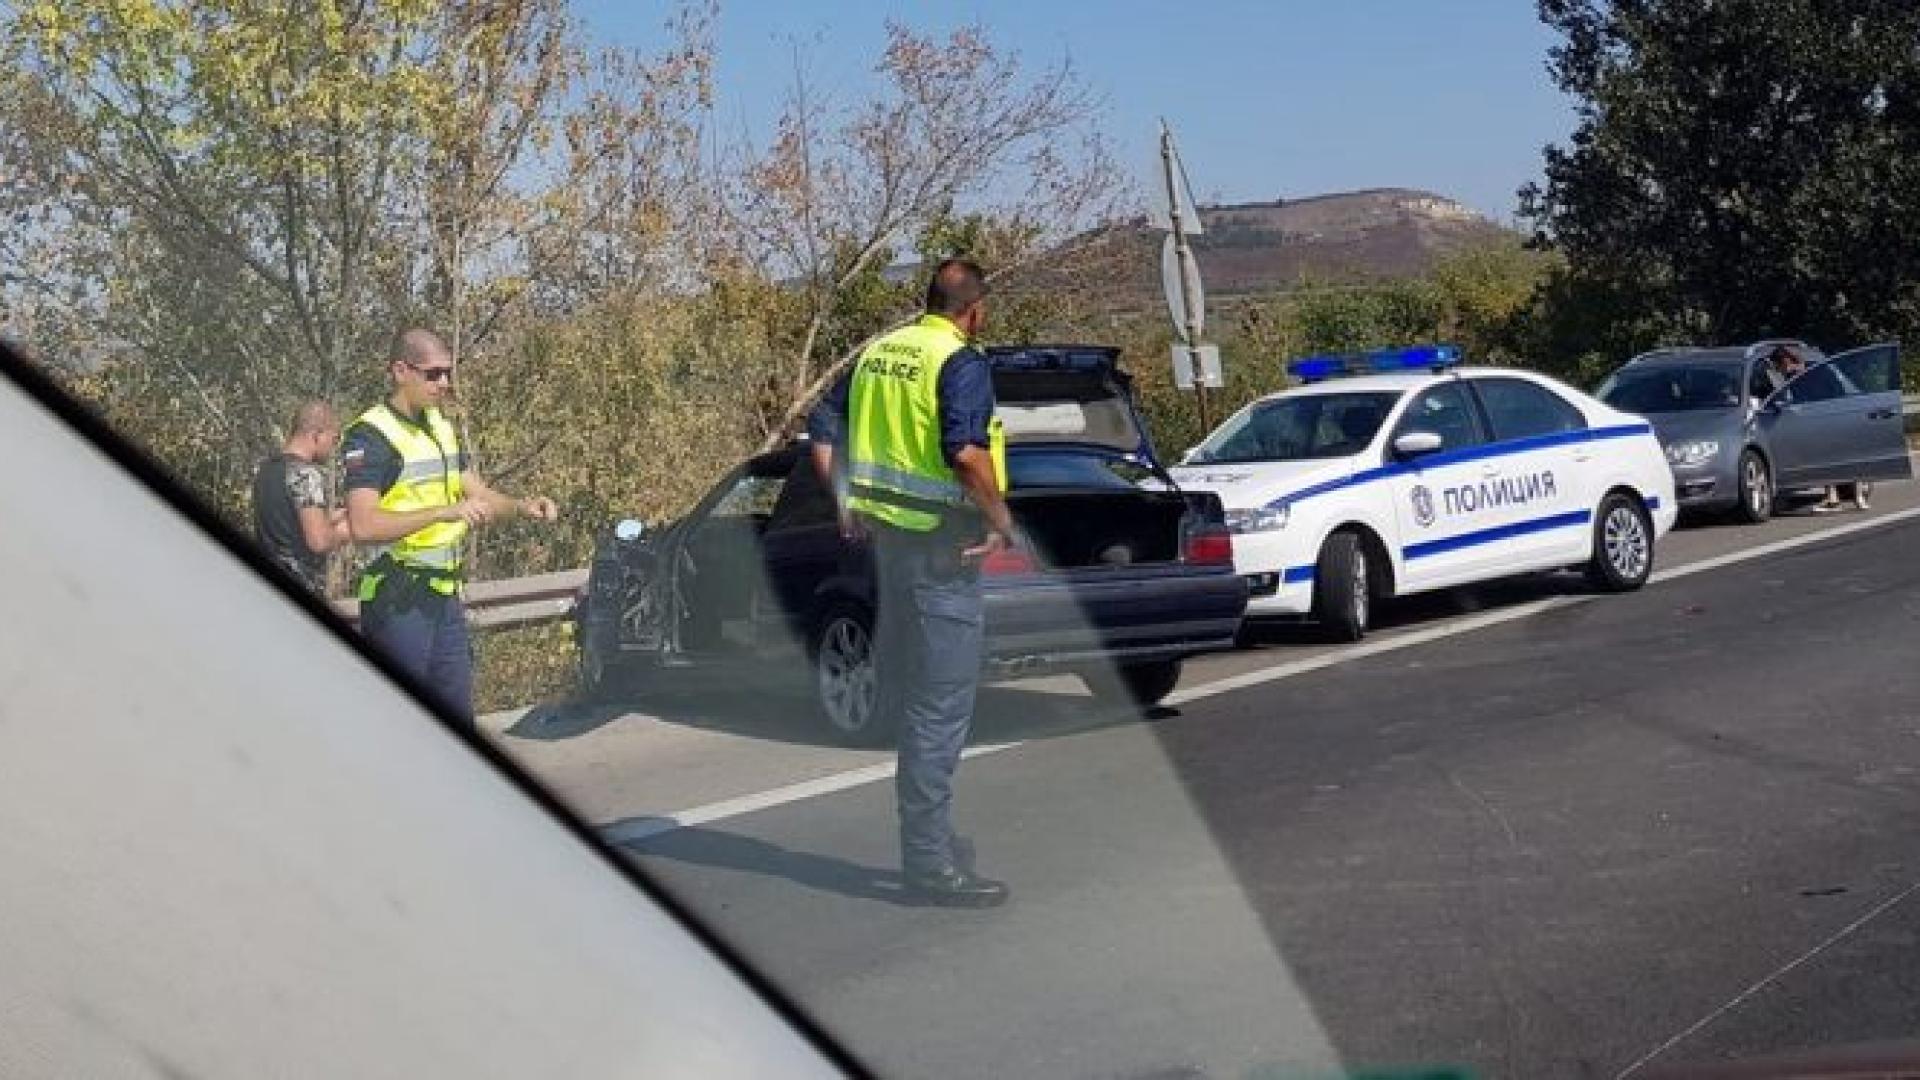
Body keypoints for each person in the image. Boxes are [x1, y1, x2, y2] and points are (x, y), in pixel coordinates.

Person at [809, 258, 1015, 908]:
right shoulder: (959, 361)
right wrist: (1001, 519)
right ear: (974, 310)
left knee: (919, 702)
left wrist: (845, 503)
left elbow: (819, 430)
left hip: (890, 553)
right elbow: (965, 452)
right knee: (939, 711)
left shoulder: (878, 352)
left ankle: (934, 843)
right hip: (941, 553)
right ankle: (929, 866)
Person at [343, 330, 559, 723]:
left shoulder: (439, 427)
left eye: (448, 373)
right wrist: (442, 513)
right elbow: (363, 525)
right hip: (398, 601)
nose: (444, 383)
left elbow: (475, 493)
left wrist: (521, 507)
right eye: (433, 374)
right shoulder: (370, 436)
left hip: (444, 600)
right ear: (400, 371)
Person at [251, 400, 350, 593]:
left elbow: (286, 526)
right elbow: (319, 541)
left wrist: (333, 519)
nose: (334, 447)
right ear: (317, 435)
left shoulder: (266, 470)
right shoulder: (305, 473)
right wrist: (349, 530)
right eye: (334, 438)